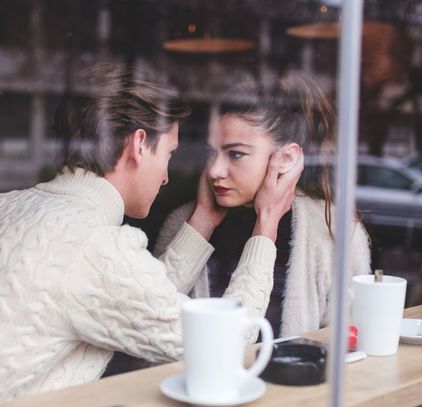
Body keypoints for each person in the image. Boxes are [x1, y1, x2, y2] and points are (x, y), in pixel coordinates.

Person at [0, 64, 295, 407]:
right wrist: (267, 222)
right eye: (170, 155)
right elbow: (227, 347)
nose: (167, 176)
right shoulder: (92, 245)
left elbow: (134, 301)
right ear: (139, 145)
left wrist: (203, 217)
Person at [156, 76, 371, 337]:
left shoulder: (335, 232)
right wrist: (201, 220)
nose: (214, 170)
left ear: (287, 158)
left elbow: (346, 349)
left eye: (235, 154)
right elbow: (150, 334)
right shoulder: (183, 224)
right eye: (211, 152)